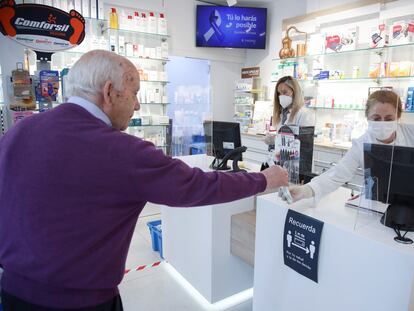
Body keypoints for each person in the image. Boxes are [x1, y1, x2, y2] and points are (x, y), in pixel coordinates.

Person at [0, 50, 288, 310]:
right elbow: (198, 186)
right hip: (82, 302)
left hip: (12, 293)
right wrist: (262, 179)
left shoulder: (18, 132)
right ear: (109, 92)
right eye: (134, 93)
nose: (137, 105)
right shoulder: (121, 151)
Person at [282, 90, 414, 203]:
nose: (383, 123)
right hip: (376, 204)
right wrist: (306, 190)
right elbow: (338, 173)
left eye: (389, 118)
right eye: (376, 118)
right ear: (367, 117)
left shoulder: (411, 133)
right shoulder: (362, 143)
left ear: (399, 117)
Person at [264, 76, 315, 146]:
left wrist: (277, 140)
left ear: (295, 92)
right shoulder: (283, 112)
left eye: (285, 92)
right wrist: (276, 138)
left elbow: (304, 143)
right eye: (279, 93)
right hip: (281, 154)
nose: (281, 96)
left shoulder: (305, 113)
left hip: (296, 155)